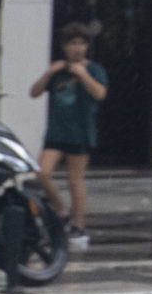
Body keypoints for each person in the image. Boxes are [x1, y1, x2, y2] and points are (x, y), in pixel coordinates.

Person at [31, 25, 107, 249]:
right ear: (64, 47)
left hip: (80, 132)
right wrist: (48, 73)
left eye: (81, 43)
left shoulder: (94, 69)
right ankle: (61, 209)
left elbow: (100, 94)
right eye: (73, 43)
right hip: (56, 131)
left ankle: (78, 224)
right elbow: (34, 92)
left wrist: (83, 74)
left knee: (75, 180)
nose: (77, 48)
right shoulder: (58, 71)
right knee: (42, 172)